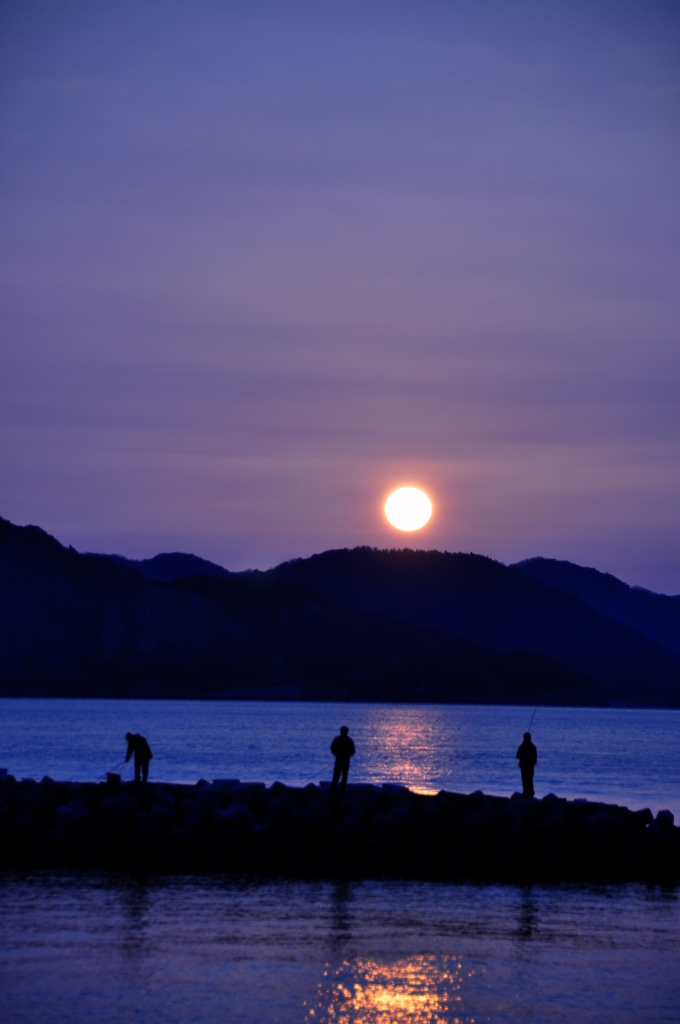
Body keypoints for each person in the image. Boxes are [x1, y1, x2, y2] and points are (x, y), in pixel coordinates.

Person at [330, 726, 355, 794]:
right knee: (337, 774)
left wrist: (347, 755)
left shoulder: (349, 741)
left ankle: (342, 788)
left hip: (345, 760)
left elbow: (353, 750)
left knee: (344, 774)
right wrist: (337, 754)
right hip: (339, 760)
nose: (344, 733)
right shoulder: (337, 739)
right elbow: (332, 748)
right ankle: (334, 787)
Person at [516, 732, 537, 798]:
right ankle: (530, 793)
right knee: (530, 780)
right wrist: (532, 764)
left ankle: (526, 793)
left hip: (524, 766)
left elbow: (517, 756)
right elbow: (535, 758)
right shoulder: (533, 747)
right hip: (530, 767)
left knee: (525, 780)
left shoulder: (522, 746)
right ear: (530, 738)